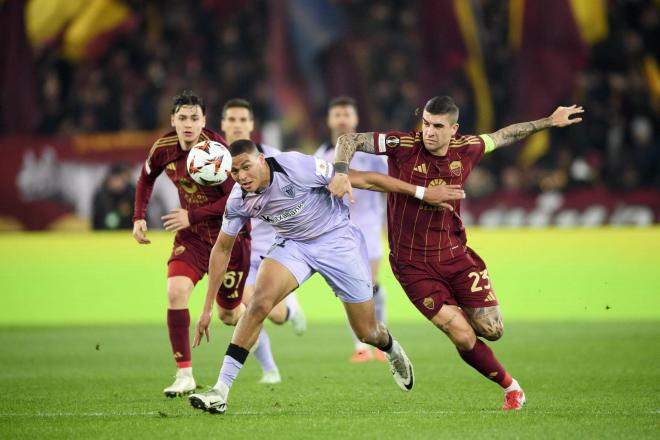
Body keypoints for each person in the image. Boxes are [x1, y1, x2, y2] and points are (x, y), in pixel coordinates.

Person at [329, 96, 584, 410]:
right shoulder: (402, 144)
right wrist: (341, 171)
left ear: (454, 129)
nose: (429, 132)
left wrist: (548, 121)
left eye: (437, 126)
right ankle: (512, 388)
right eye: (425, 123)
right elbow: (348, 140)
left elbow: (506, 135)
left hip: (455, 254)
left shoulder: (468, 147)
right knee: (462, 336)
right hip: (412, 265)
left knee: (492, 330)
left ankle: (463, 322)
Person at [188, 140, 465, 414]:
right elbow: (222, 249)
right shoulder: (238, 199)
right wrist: (206, 307)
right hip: (294, 246)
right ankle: (220, 391)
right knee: (259, 304)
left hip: (337, 241)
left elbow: (364, 179)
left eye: (246, 167)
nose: (242, 177)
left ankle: (390, 346)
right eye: (235, 172)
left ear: (260, 158)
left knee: (367, 332)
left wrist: (422, 192)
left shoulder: (295, 166)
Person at [132, 90, 252, 398]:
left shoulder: (219, 153)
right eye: (182, 118)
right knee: (175, 290)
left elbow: (235, 199)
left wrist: (193, 214)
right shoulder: (163, 148)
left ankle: (254, 314)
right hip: (194, 237)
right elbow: (146, 178)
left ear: (204, 122)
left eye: (194, 118)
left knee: (228, 315)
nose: (188, 124)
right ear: (173, 120)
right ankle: (184, 373)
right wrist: (138, 217)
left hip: (231, 237)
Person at [220, 98, 307, 385]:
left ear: (251, 125)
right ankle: (270, 369)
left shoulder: (272, 158)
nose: (237, 125)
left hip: (268, 252)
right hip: (237, 252)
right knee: (239, 311)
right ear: (223, 125)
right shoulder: (212, 163)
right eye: (231, 120)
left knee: (274, 315)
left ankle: (291, 310)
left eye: (242, 120)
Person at [315, 97, 388, 363]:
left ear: (356, 119)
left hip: (369, 226)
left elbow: (389, 185)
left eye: (347, 113)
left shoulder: (372, 155)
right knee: (351, 288)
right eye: (337, 114)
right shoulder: (319, 156)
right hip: (339, 230)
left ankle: (380, 339)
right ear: (329, 120)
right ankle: (361, 345)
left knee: (372, 286)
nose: (342, 119)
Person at [92, 163, 135, 230]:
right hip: (104, 234)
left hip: (127, 233)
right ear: (109, 179)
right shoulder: (101, 195)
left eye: (119, 179)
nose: (117, 182)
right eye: (115, 179)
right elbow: (96, 218)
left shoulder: (132, 194)